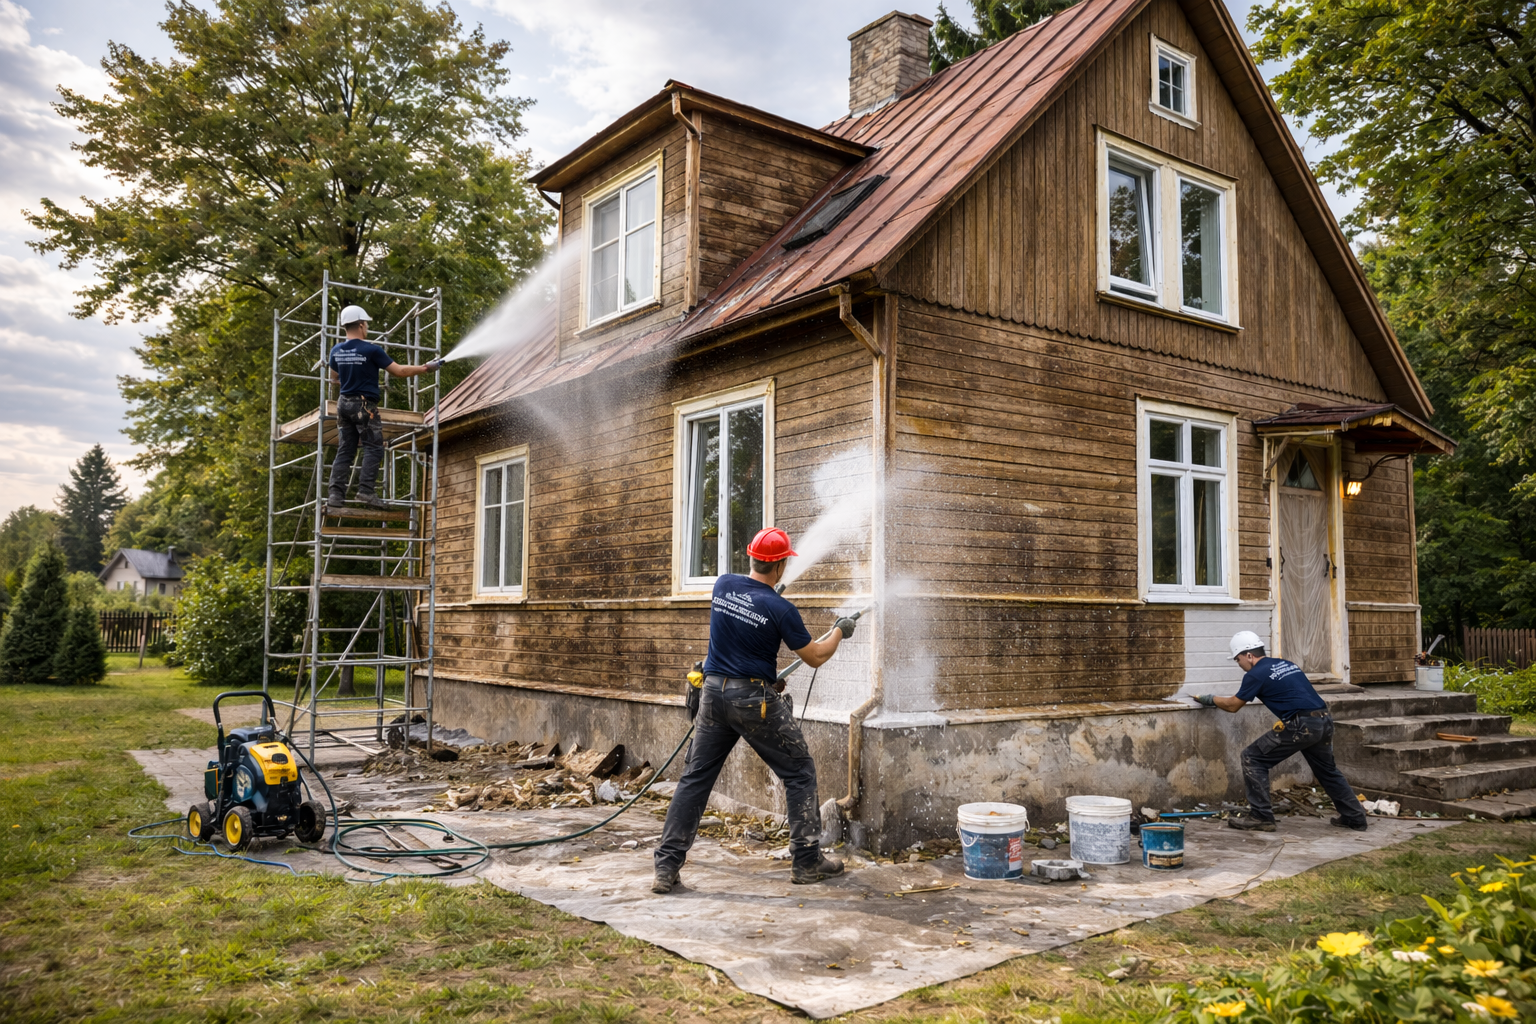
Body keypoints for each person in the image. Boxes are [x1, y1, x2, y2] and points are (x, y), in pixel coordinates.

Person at [653, 527, 857, 893]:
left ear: (751, 558)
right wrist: (840, 631)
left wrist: (766, 674)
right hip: (751, 700)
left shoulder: (723, 585)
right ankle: (807, 861)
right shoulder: (781, 609)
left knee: (695, 780)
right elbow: (815, 656)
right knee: (799, 772)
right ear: (779, 565)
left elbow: (745, 629)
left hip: (713, 695)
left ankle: (666, 868)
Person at [1194, 630, 1368, 833]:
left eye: (1238, 659)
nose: (1239, 664)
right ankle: (1355, 817)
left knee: (1253, 757)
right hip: (1323, 720)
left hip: (1302, 725)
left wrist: (1209, 699)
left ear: (1249, 655)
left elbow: (1233, 705)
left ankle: (1261, 816)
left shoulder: (1255, 674)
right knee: (1327, 771)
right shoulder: (1286, 664)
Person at [326, 305, 441, 509]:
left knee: (345, 450)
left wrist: (349, 375)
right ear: (361, 325)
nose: (367, 327)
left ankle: (335, 496)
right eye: (366, 324)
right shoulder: (371, 350)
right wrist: (425, 368)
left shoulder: (336, 350)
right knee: (374, 447)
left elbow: (333, 378)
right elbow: (400, 371)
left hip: (343, 405)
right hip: (364, 405)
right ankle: (366, 492)